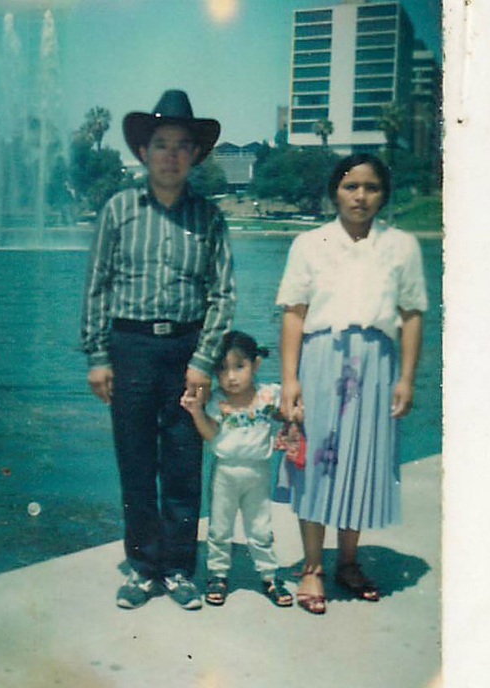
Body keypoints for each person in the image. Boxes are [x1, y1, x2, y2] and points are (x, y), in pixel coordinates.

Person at [81, 89, 236, 610]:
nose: (171, 154)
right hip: (130, 350)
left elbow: (223, 294)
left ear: (195, 154)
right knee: (135, 461)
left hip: (185, 353)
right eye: (161, 144)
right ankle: (143, 567)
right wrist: (98, 355)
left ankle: (177, 568)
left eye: (181, 145)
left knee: (182, 461)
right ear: (143, 152)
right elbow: (97, 285)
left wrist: (203, 362)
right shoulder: (119, 210)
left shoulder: (209, 218)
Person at [276, 153, 427, 615]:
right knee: (314, 463)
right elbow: (294, 312)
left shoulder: (401, 246)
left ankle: (347, 561)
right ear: (334, 191)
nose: (360, 196)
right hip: (321, 360)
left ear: (384, 194)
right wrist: (289, 378)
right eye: (350, 186)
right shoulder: (309, 243)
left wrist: (405, 377)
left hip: (377, 365)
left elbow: (411, 313)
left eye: (371, 187)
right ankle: (311, 568)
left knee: (361, 463)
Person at [180, 331, 292, 608]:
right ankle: (218, 574)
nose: (231, 377)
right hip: (225, 473)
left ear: (255, 365)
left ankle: (269, 575)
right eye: (222, 369)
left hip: (258, 472)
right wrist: (196, 412)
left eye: (239, 367)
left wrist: (292, 423)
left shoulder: (269, 395)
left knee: (260, 526)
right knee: (219, 526)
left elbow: (289, 411)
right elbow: (209, 433)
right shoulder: (218, 401)